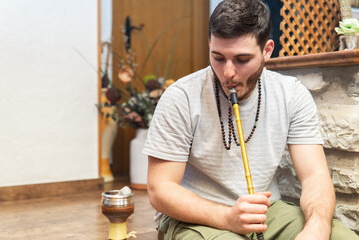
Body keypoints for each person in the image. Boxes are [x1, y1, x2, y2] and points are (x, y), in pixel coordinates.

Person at [143, 0, 359, 239]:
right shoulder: (181, 97)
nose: (228, 73)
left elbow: (315, 176)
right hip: (196, 217)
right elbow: (160, 190)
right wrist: (227, 218)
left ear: (267, 50)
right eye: (218, 57)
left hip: (265, 213)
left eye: (242, 60)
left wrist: (317, 228)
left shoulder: (292, 94)